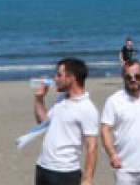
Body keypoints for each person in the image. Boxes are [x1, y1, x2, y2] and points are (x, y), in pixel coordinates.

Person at [34, 57, 99, 185]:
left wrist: (88, 178)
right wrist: (39, 99)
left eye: (59, 75)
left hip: (65, 172)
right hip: (43, 166)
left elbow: (92, 146)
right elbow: (43, 123)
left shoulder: (87, 108)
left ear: (71, 78)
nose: (55, 79)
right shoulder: (61, 99)